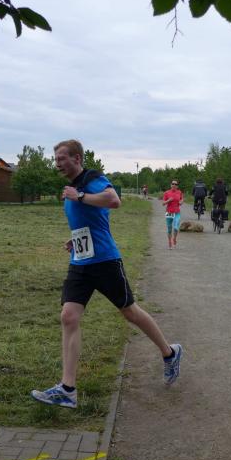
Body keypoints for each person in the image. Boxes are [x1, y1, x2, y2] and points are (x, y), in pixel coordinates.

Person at [31, 139, 183, 409]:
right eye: (55, 159)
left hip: (104, 261)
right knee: (68, 316)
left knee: (130, 312)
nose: (57, 164)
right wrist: (75, 239)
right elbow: (90, 220)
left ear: (77, 158)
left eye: (61, 158)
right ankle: (67, 389)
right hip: (81, 261)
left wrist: (80, 196)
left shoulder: (92, 179)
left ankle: (169, 353)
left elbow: (114, 201)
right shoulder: (73, 187)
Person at [162, 180, 184, 249]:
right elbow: (163, 203)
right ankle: (170, 242)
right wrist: (169, 200)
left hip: (177, 212)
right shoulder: (167, 193)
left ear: (177, 186)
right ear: (170, 185)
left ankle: (174, 238)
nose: (174, 185)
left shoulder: (179, 192)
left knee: (176, 227)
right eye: (173, 184)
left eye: (175, 184)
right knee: (169, 229)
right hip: (169, 212)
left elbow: (182, 199)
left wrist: (181, 202)